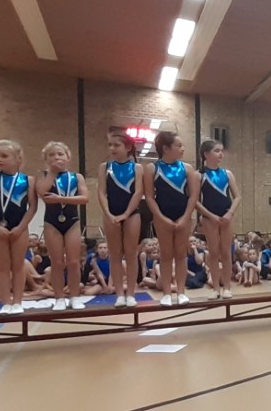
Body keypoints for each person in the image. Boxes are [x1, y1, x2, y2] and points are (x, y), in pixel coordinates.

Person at [0, 140, 38, 316]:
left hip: (20, 228)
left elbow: (33, 207)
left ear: (18, 158)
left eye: (4, 156)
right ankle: (6, 302)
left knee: (18, 265)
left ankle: (18, 301)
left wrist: (21, 227)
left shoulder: (28, 180)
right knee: (2, 266)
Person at [144, 132, 200, 306]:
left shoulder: (187, 168)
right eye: (179, 145)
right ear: (166, 148)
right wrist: (160, 218)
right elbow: (149, 197)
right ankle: (167, 293)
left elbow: (193, 196)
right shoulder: (152, 168)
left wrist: (185, 217)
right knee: (166, 255)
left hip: (183, 215)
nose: (183, 148)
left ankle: (181, 292)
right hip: (162, 216)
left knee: (181, 255)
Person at [36, 142, 89, 311]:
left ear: (68, 157)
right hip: (52, 222)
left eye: (60, 154)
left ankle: (74, 296)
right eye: (51, 155)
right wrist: (52, 172)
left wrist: (60, 199)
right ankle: (59, 298)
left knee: (73, 262)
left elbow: (84, 198)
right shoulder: (43, 175)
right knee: (57, 263)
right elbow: (42, 193)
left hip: (72, 221)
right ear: (46, 159)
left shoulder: (76, 177)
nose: (56, 157)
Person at [97, 128, 144, 307]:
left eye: (116, 145)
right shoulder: (105, 167)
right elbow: (101, 192)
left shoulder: (137, 168)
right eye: (110, 145)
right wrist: (108, 213)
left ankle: (131, 293)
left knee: (131, 254)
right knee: (115, 255)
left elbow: (138, 192)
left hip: (131, 213)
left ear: (128, 147)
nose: (112, 148)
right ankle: (119, 294)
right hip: (111, 213)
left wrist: (125, 214)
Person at [197, 139, 241, 299]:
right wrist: (210, 216)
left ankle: (227, 287)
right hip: (209, 218)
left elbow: (237, 197)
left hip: (226, 216)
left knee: (226, 252)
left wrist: (230, 213)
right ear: (206, 154)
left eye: (222, 150)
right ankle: (216, 288)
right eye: (216, 151)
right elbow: (194, 201)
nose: (221, 154)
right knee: (214, 253)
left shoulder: (227, 174)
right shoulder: (199, 175)